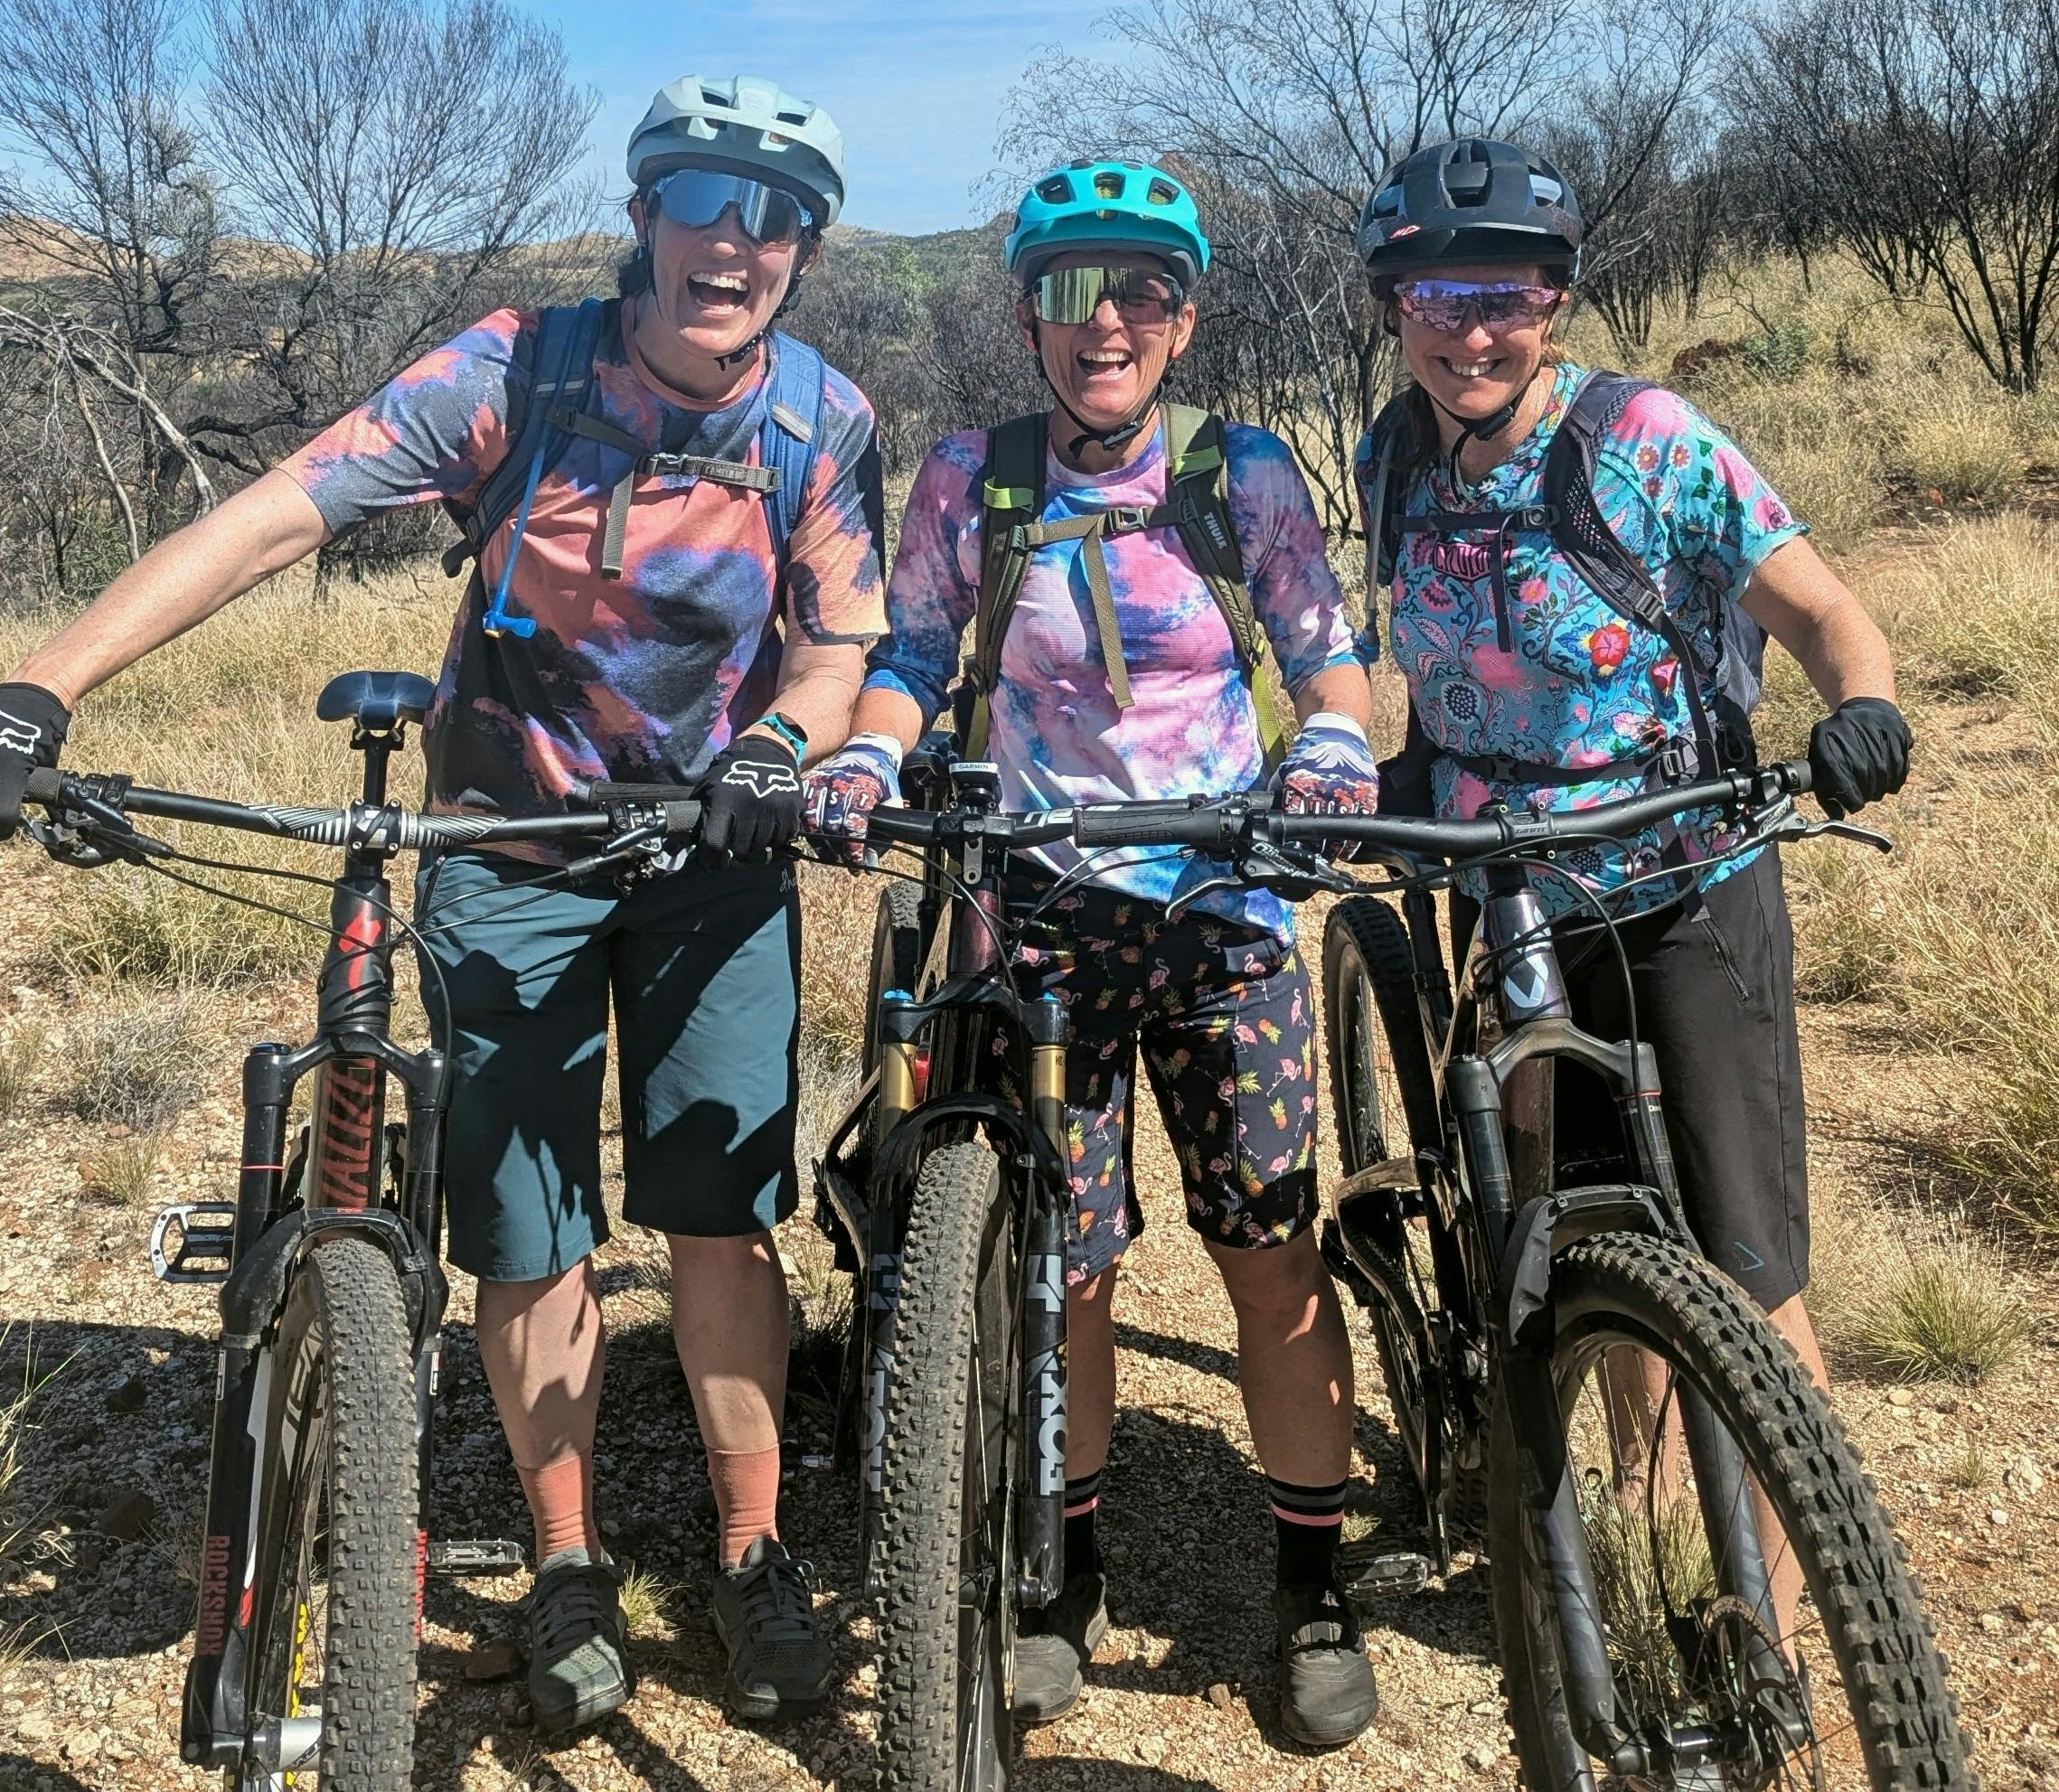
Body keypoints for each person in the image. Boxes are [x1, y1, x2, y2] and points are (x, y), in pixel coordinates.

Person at [0, 75, 885, 1730]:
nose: (734, 242)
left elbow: (841, 644)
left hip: (713, 858)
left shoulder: (819, 420)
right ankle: (565, 1569)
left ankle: (754, 1558)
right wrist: (40, 687)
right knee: (531, 1233)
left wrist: (778, 743)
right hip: (508, 853)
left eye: (775, 220)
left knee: (716, 1212)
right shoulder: (518, 369)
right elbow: (278, 514)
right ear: (644, 216)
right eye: (701, 197)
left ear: (805, 253)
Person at [806, 159, 1383, 1749]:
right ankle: (1063, 1575)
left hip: (1219, 911)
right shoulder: (967, 481)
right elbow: (913, 658)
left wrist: (1331, 751)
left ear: (1185, 319)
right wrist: (865, 754)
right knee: (1069, 1265)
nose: (1106, 320)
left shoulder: (1241, 472)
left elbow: (1327, 661)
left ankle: (1310, 1586)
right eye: (1072, 291)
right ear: (1027, 319)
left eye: (1141, 290)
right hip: (1039, 912)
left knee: (1268, 1254)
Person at [1353, 137, 1913, 1630]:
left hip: (1682, 875)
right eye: (1436, 294)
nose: (1472, 329)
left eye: (1508, 294)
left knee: (1737, 1250)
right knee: (1584, 1238)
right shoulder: (1390, 453)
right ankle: (1661, 1531)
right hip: (1508, 894)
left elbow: (1822, 607)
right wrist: (1401, 766)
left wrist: (1857, 704)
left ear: (1553, 298)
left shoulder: (1645, 439)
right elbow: (1434, 650)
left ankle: (1780, 1606)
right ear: (1392, 302)